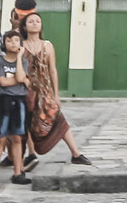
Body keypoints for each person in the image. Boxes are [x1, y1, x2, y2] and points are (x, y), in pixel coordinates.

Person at [20, 9, 92, 166]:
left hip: (45, 91)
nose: (34, 23)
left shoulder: (47, 45)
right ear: (24, 26)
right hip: (27, 91)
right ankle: (31, 154)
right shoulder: (21, 46)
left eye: (37, 21)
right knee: (28, 123)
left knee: (59, 119)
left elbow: (52, 69)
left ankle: (76, 153)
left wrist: (56, 93)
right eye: (30, 21)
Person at [0, 28, 31, 187]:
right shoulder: (0, 61)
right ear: (4, 43)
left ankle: (18, 172)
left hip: (19, 101)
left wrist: (20, 59)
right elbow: (3, 82)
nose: (13, 43)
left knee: (17, 137)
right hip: (4, 101)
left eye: (16, 40)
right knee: (0, 138)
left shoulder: (23, 61)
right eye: (9, 40)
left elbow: (23, 77)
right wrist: (21, 80)